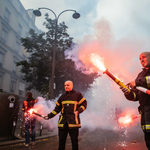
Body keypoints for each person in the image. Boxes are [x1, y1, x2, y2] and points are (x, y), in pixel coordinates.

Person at [44, 80, 87, 150]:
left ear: (72, 86)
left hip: (73, 123)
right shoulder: (62, 97)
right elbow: (57, 109)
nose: (66, 86)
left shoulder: (78, 95)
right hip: (63, 123)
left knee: (74, 142)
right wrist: (49, 116)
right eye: (65, 85)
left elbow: (84, 104)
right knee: (61, 142)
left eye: (68, 85)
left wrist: (78, 111)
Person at [120, 52, 150, 150]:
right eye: (139, 59)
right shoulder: (140, 75)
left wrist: (137, 82)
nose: (141, 60)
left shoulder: (140, 79)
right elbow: (135, 96)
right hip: (146, 118)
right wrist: (127, 92)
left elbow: (144, 82)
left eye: (144, 57)